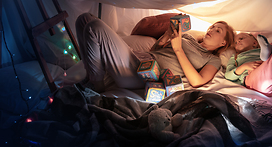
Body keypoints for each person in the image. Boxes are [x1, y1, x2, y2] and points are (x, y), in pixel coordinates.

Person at [76, 13, 235, 93]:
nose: (211, 29)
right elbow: (155, 51)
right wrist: (167, 34)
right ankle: (96, 73)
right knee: (84, 19)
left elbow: (198, 81)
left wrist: (178, 49)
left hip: (139, 74)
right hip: (141, 59)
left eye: (218, 30)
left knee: (95, 26)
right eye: (212, 26)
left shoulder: (212, 60)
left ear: (223, 43)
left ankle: (96, 85)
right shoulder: (187, 36)